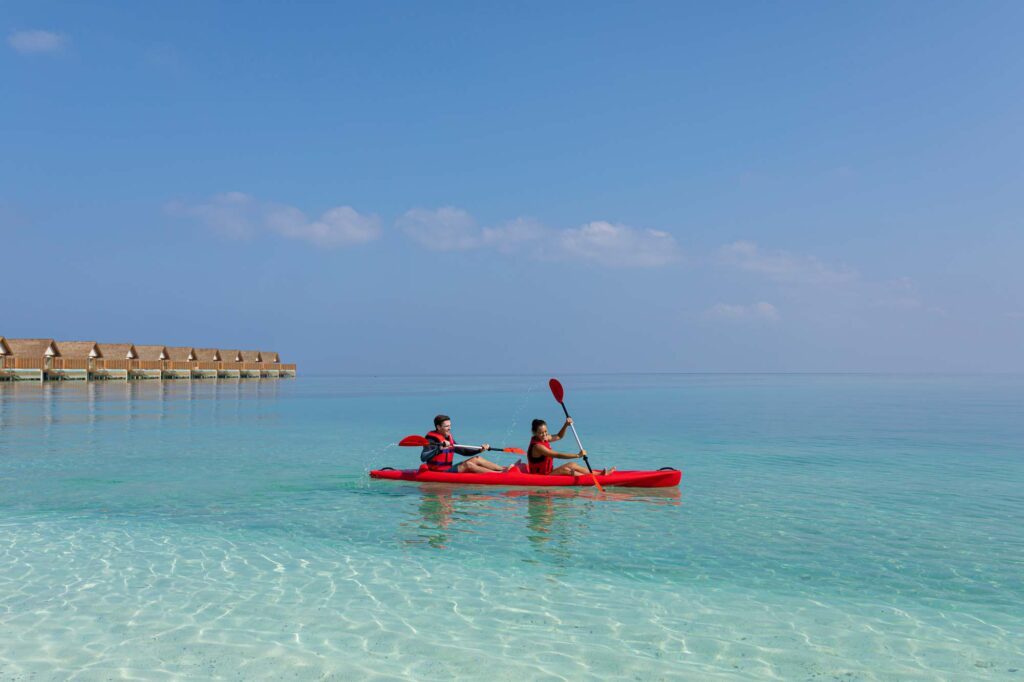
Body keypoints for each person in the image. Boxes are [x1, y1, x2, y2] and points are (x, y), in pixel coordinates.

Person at [421, 414, 509, 473]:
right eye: (446, 426)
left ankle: (504, 469)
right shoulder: (431, 439)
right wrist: (439, 449)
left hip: (448, 469)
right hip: (439, 472)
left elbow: (463, 451)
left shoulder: (448, 437)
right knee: (468, 465)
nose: (450, 428)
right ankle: (500, 474)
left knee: (477, 459)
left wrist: (479, 450)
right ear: (438, 427)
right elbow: (423, 457)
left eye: (450, 425)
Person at [527, 418, 614, 476]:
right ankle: (589, 479)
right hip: (541, 477)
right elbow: (558, 455)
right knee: (565, 469)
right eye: (541, 433)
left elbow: (559, 436)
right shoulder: (537, 447)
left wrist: (566, 425)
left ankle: (598, 474)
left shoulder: (544, 438)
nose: (544, 434)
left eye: (545, 431)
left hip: (548, 472)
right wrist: (577, 455)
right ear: (535, 433)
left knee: (572, 464)